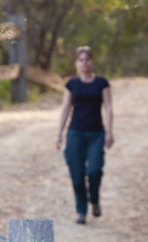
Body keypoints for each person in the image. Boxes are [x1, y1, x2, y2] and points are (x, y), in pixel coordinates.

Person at [56, 46, 114, 225]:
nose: (84, 63)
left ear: (92, 62)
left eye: (87, 59)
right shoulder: (71, 84)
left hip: (96, 133)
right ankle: (81, 211)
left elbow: (108, 107)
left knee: (95, 170)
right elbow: (66, 108)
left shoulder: (101, 83)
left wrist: (109, 132)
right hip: (75, 133)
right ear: (76, 63)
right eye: (81, 60)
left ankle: (94, 199)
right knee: (77, 174)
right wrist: (59, 133)